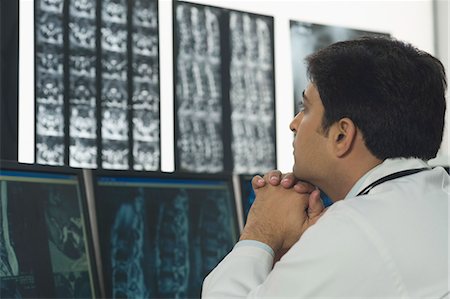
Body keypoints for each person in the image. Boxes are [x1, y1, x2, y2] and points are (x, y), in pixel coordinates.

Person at [202, 36, 449, 298]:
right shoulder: (433, 199)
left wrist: (261, 233)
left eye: (304, 109)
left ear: (342, 136)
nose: (294, 124)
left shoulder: (354, 230)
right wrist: (303, 251)